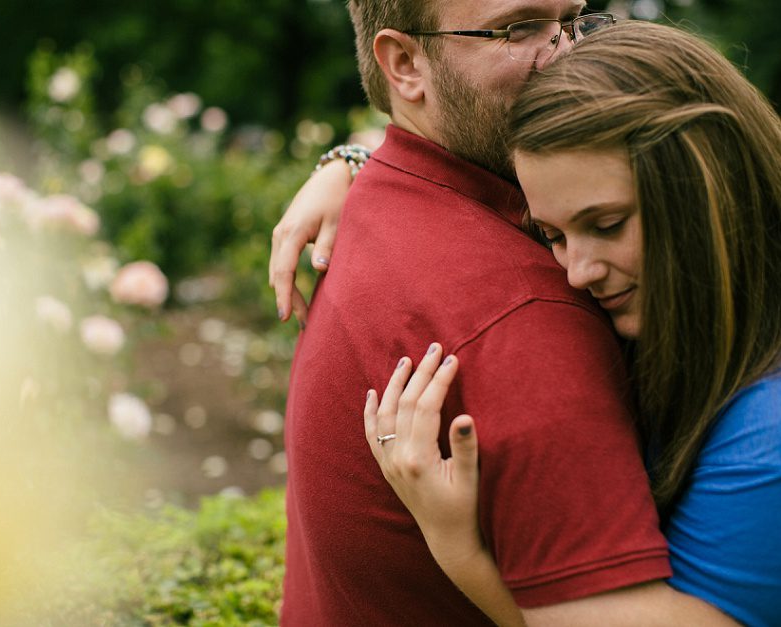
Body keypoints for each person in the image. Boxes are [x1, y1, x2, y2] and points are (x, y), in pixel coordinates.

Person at [280, 19, 781, 626]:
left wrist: (460, 550)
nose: (577, 271)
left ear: (706, 187)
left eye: (607, 223)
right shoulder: (681, 334)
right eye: (551, 234)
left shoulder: (765, 441)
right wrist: (354, 162)